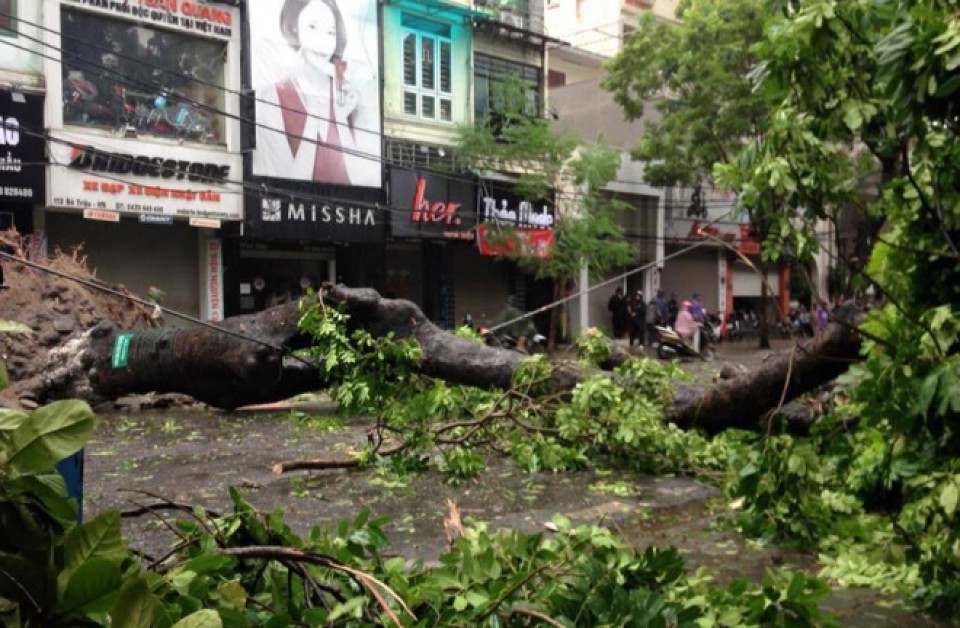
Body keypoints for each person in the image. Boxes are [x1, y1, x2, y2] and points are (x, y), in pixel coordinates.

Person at [253, 0, 379, 186]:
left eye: (330, 32)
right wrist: (314, 115)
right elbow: (287, 188)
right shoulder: (270, 97)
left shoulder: (352, 97)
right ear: (294, 27)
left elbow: (363, 183)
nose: (322, 42)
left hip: (347, 211)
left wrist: (341, 120)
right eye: (312, 27)